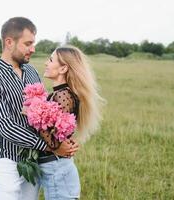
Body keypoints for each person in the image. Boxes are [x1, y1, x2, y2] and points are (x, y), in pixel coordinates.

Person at [0, 17, 78, 200]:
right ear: (9, 42)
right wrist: (51, 147)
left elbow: (47, 115)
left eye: (33, 43)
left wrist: (65, 140)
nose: (33, 49)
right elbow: (5, 126)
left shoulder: (31, 72)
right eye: (28, 43)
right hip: (7, 158)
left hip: (33, 159)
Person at [37, 45, 104, 200]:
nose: (46, 63)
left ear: (63, 69)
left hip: (57, 170)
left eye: (51, 59)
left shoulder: (63, 96)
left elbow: (54, 143)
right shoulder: (60, 94)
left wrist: (33, 113)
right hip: (57, 169)